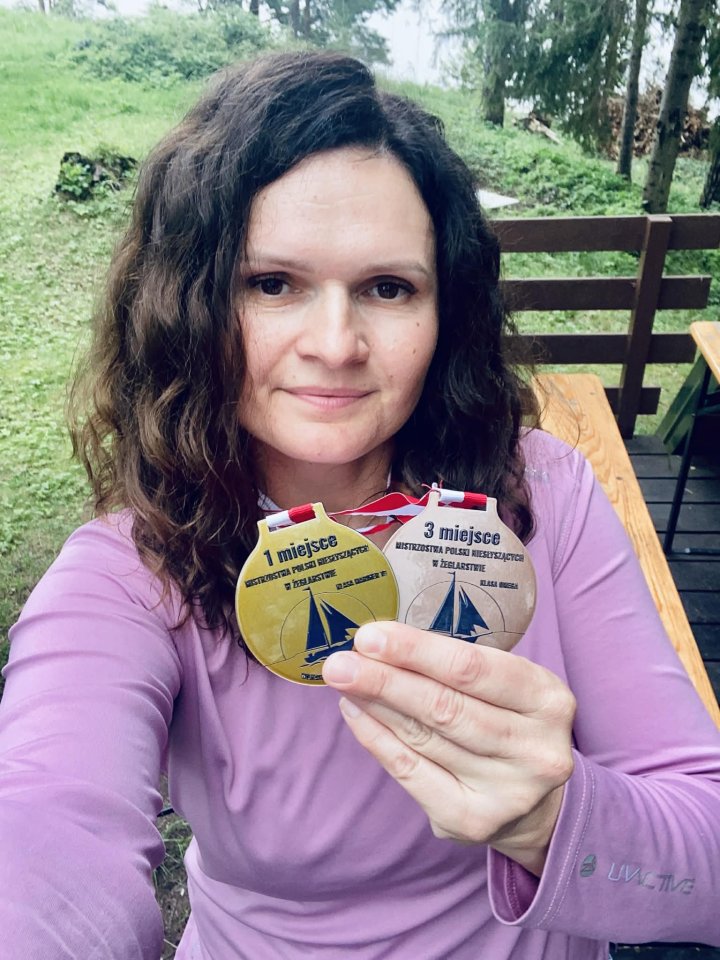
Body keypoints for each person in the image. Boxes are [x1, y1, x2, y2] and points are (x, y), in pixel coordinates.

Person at [1, 50, 719, 960]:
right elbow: (46, 830)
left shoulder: (540, 493)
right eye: (272, 284)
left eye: (388, 287)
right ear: (186, 303)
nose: (336, 345)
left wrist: (555, 819)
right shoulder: (132, 572)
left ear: (445, 311)